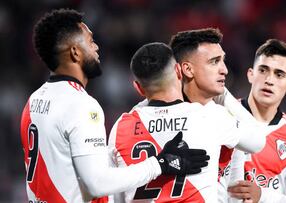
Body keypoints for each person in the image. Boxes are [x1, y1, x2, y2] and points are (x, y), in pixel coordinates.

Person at [20, 9, 210, 203]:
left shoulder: (34, 101)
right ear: (75, 52)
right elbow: (97, 183)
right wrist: (160, 163)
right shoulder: (80, 105)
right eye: (90, 41)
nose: (96, 47)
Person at [108, 42, 265, 202]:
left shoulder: (121, 127)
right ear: (178, 71)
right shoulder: (210, 116)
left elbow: (114, 193)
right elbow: (258, 141)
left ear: (138, 88)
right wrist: (224, 96)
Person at [217, 39, 286, 202]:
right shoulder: (221, 114)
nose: (269, 80)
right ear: (250, 75)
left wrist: (262, 196)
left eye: (279, 74)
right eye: (263, 70)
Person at [169, 28, 244, 203]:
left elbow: (235, 188)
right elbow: (257, 140)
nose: (224, 70)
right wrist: (226, 97)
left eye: (223, 61)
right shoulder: (220, 118)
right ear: (187, 69)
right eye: (214, 61)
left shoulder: (224, 118)